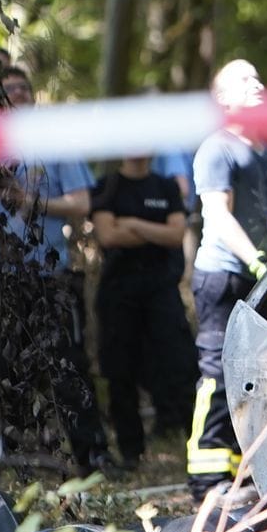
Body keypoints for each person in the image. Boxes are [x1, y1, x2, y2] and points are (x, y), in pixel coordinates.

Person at [0, 66, 111, 468]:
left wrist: (29, 199)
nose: (17, 95)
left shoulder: (55, 140)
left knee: (66, 365)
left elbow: (82, 203)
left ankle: (90, 453)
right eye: (8, 90)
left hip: (47, 275)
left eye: (23, 89)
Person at [187, 58, 267, 486]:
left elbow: (262, 215)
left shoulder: (263, 152)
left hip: (260, 276)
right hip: (223, 277)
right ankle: (206, 477)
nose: (257, 84)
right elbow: (220, 218)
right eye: (245, 80)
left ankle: (247, 474)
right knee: (220, 375)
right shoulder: (217, 148)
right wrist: (255, 258)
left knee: (262, 377)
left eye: (258, 76)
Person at [90, 155, 196, 468]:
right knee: (120, 372)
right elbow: (108, 235)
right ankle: (130, 453)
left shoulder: (165, 187)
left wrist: (133, 224)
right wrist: (157, 230)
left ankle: (192, 441)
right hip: (118, 294)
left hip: (161, 292)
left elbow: (176, 235)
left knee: (179, 364)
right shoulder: (107, 187)